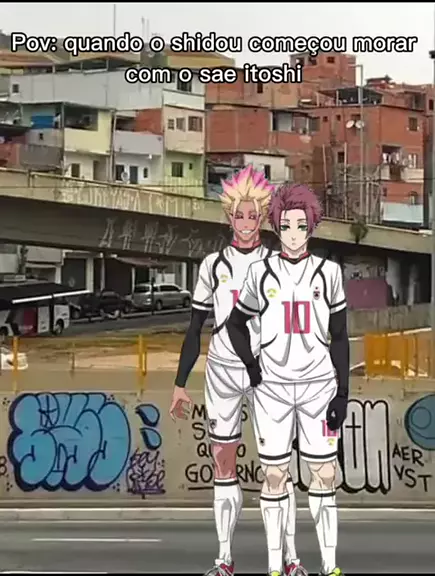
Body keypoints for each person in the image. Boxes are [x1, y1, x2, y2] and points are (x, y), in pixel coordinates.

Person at [226, 183, 349, 576]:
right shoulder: (260, 272)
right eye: (285, 226)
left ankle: (330, 565)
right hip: (273, 391)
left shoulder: (329, 273)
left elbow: (340, 336)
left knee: (324, 473)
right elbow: (235, 323)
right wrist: (252, 367)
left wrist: (342, 393)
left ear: (311, 226)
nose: (293, 233)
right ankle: (275, 565)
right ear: (276, 228)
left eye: (300, 225)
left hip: (318, 388)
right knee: (275, 475)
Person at [169, 165, 277, 576]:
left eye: (253, 215)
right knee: (223, 463)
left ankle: (282, 559)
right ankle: (224, 559)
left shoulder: (277, 263)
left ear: (263, 217)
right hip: (222, 373)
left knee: (276, 468)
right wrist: (180, 383)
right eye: (239, 215)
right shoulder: (212, 266)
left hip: (267, 372)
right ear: (229, 217)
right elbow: (195, 327)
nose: (246, 223)